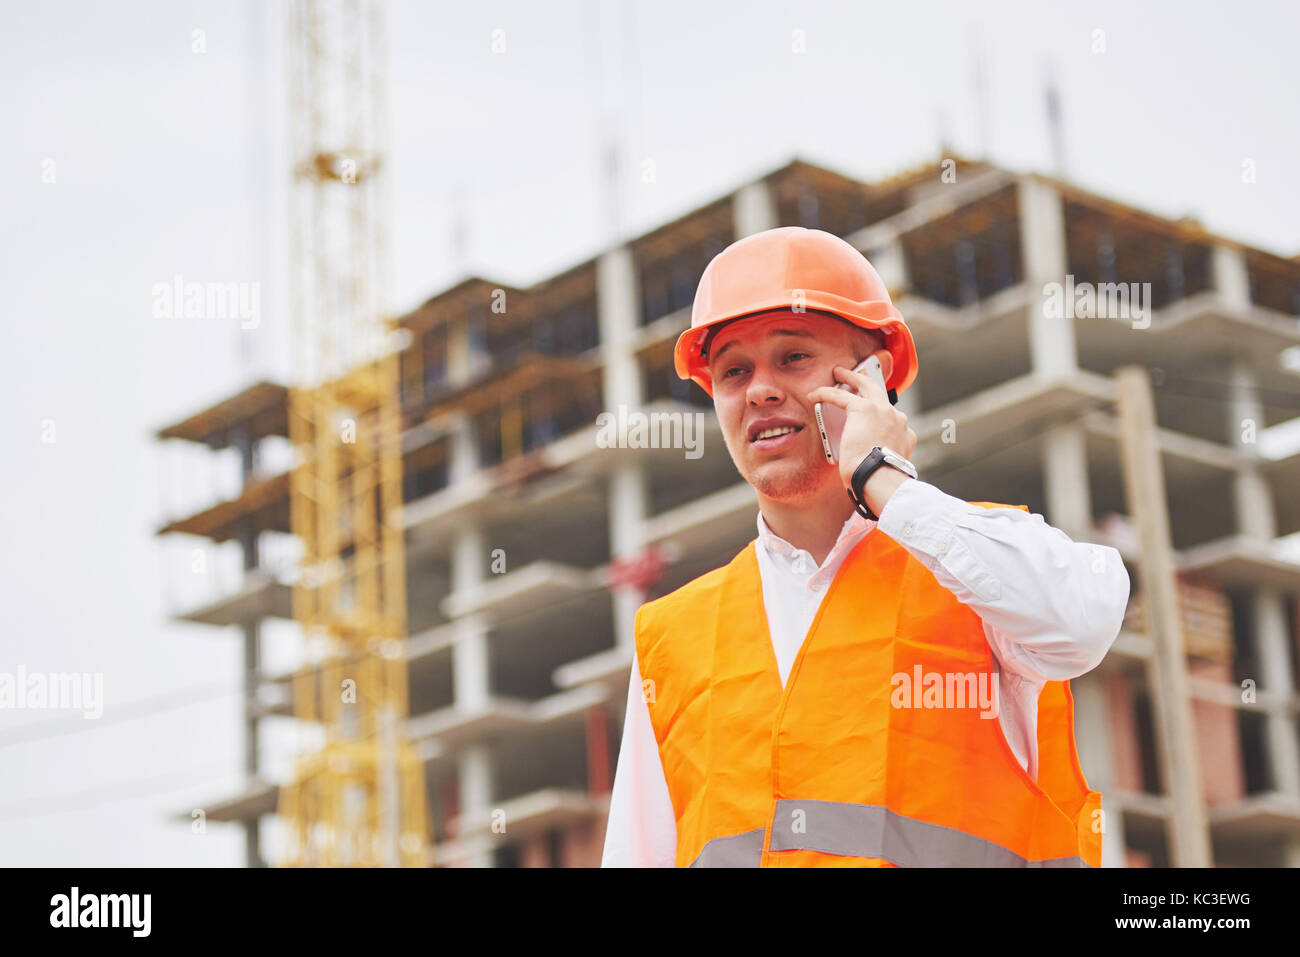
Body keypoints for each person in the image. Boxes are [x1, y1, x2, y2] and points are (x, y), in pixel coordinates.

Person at [600, 226, 1130, 867]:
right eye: (734, 371)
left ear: (872, 377)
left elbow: (1084, 623)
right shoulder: (670, 638)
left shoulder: (968, 569)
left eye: (792, 358)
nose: (761, 389)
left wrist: (885, 483)